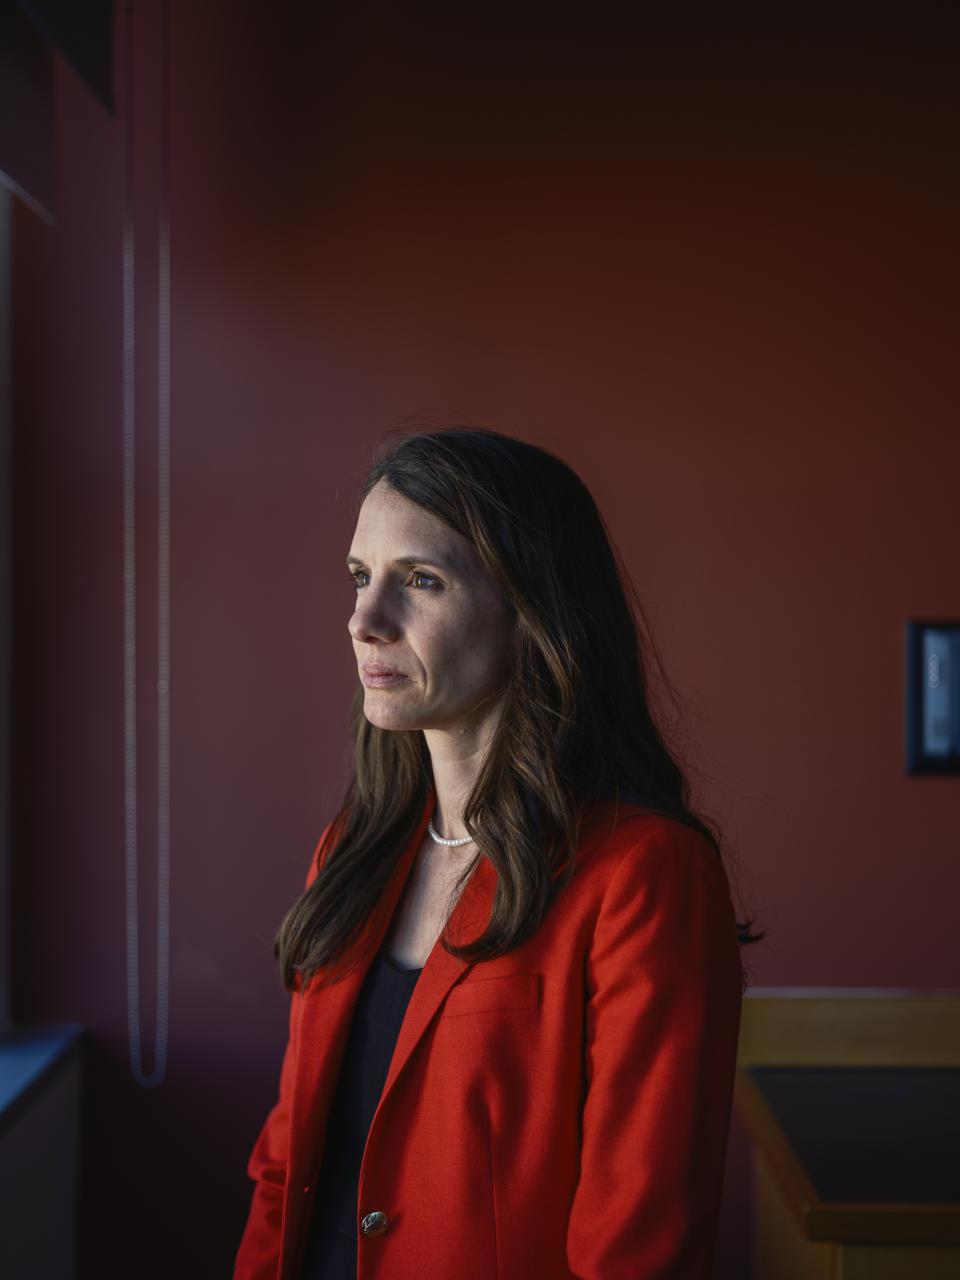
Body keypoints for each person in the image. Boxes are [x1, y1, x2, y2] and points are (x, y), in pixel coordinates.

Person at [234, 428, 751, 1280]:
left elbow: (638, 1241)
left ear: (530, 613)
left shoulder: (644, 874)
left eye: (421, 581)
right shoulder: (351, 853)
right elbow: (284, 1169)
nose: (364, 620)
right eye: (362, 578)